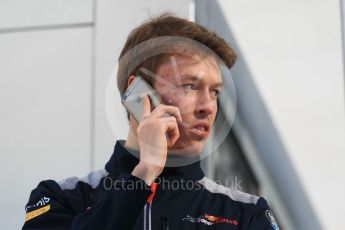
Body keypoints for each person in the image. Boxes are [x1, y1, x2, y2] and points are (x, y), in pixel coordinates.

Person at [22, 13, 280, 230]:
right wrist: (144, 173)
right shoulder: (59, 197)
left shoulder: (247, 213)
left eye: (215, 92)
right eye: (191, 86)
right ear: (139, 94)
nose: (208, 107)